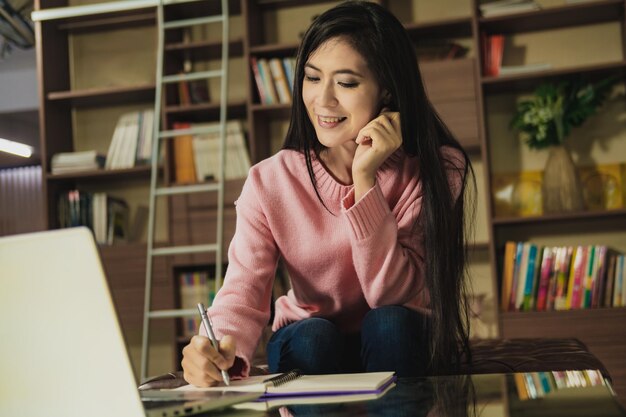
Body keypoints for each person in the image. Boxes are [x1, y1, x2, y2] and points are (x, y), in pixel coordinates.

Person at [181, 0, 474, 387]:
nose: (323, 100)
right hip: (309, 343)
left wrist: (364, 179)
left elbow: (391, 293)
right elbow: (243, 291)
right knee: (314, 337)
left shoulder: (438, 168)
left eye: (347, 83)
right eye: (313, 78)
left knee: (390, 324)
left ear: (387, 89)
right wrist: (214, 345)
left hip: (397, 338)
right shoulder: (269, 182)